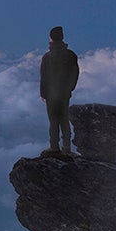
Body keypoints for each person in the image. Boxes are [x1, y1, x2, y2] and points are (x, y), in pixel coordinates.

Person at [39, 26, 79, 154]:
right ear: (62, 38)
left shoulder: (46, 57)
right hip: (64, 94)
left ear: (51, 39)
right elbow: (75, 74)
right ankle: (66, 148)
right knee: (64, 119)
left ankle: (54, 146)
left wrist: (43, 93)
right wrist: (69, 88)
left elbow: (43, 77)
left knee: (53, 120)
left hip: (51, 94)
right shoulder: (71, 55)